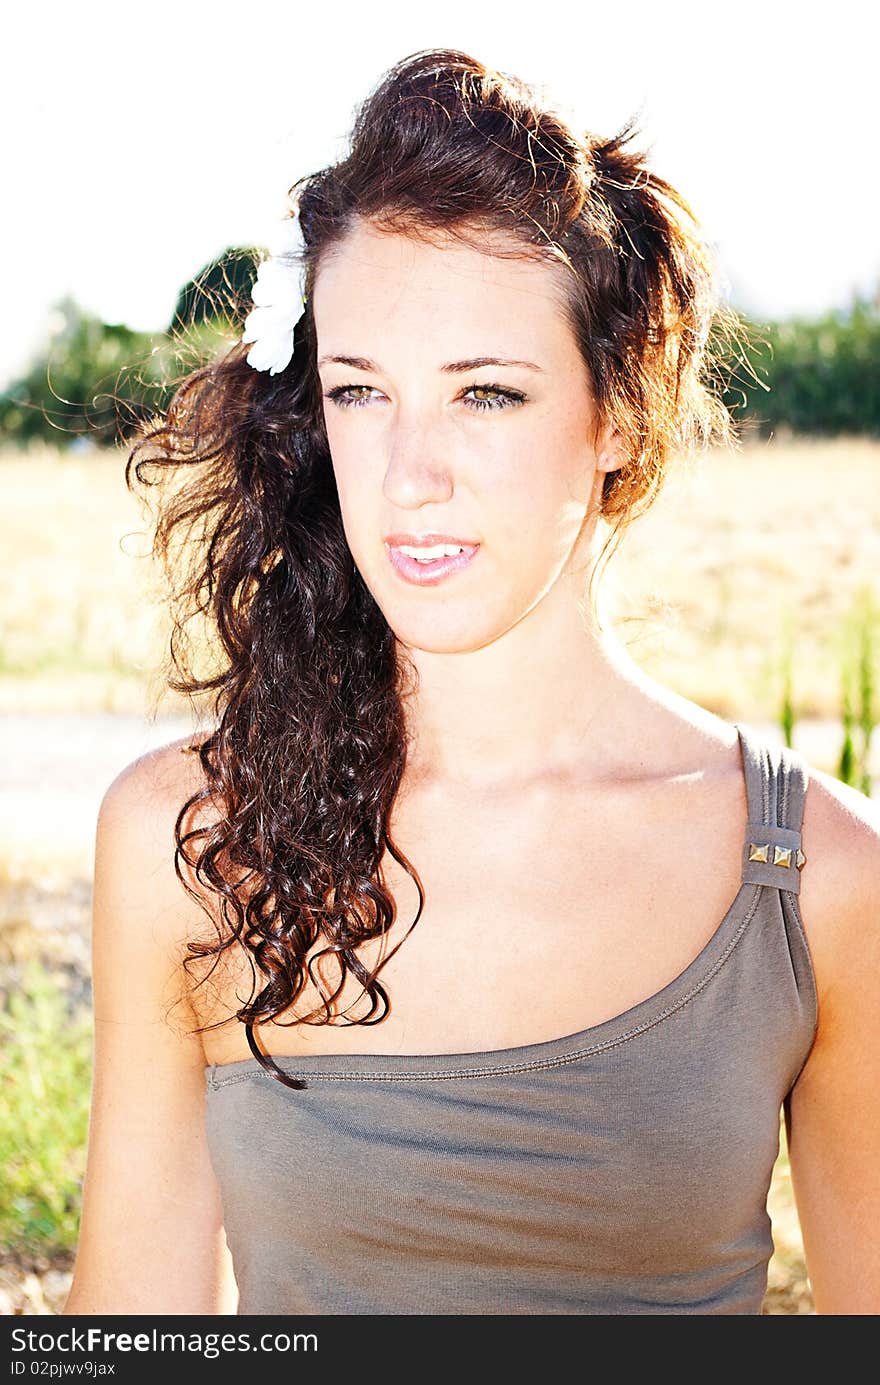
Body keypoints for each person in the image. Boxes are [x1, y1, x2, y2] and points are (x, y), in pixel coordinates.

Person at [63, 48, 879, 1317]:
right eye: (359, 392)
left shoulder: (816, 877)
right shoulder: (190, 839)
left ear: (617, 415)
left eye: (485, 393)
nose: (407, 472)